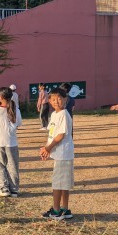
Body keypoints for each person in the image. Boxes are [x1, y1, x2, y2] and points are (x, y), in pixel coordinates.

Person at [40, 87, 74, 220]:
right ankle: (65, 209)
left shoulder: (64, 114)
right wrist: (46, 148)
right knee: (63, 183)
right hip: (59, 154)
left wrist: (48, 148)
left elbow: (60, 135)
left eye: (59, 98)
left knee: (58, 184)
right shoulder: (54, 114)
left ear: (65, 99)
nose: (56, 101)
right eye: (53, 99)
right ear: (49, 100)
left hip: (63, 154)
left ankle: (56, 211)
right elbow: (52, 134)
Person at [0, 87, 22, 196]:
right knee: (13, 166)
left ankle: (4, 188)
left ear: (0, 97)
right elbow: (18, 125)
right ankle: (14, 189)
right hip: (11, 142)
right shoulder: (16, 110)